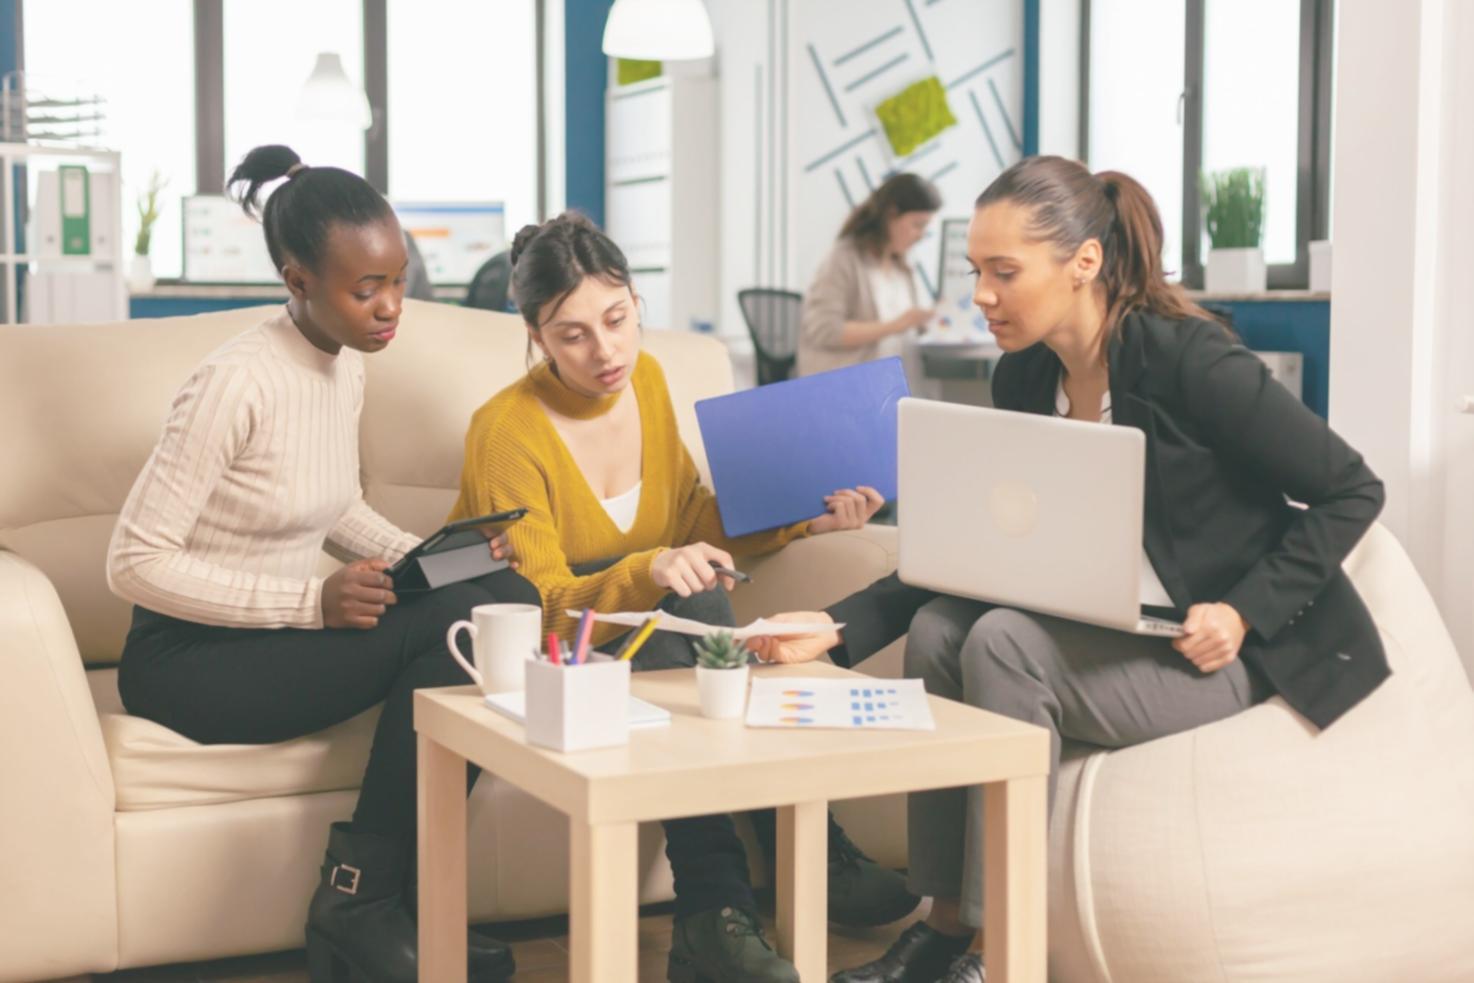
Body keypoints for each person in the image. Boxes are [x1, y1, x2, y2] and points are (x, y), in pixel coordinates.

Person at [750, 156, 1389, 983]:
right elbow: (968, 546)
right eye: (978, 271)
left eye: (1004, 272)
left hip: (1221, 649)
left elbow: (1351, 487)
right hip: (1106, 631)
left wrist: (1241, 611)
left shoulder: (1192, 361)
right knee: (948, 627)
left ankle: (1004, 947)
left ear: (1083, 262)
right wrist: (835, 627)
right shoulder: (1023, 374)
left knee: (1006, 639)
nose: (981, 294)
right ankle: (946, 925)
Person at [446, 211, 920, 982]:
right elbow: (541, 601)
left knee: (691, 607)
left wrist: (806, 514)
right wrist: (652, 568)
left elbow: (695, 520)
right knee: (688, 612)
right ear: (534, 336)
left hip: (651, 628)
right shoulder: (504, 431)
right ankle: (753, 877)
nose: (606, 351)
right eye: (572, 335)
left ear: (636, 299)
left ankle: (717, 911)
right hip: (552, 647)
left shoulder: (651, 379)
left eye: (617, 318)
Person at [106, 144, 537, 983]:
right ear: (297, 278)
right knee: (463, 623)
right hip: (188, 659)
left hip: (274, 638)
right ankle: (358, 904)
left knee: (503, 596)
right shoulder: (233, 381)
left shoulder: (342, 370)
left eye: (399, 281)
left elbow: (330, 506)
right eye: (365, 289)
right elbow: (133, 561)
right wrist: (310, 602)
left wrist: (437, 557)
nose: (390, 308)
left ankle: (409, 901)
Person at [796, 172, 940, 378]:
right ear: (891, 214)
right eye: (917, 225)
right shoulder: (844, 259)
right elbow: (826, 330)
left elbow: (907, 330)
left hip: (897, 386)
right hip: (853, 389)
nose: (920, 235)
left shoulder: (903, 267)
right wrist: (897, 325)